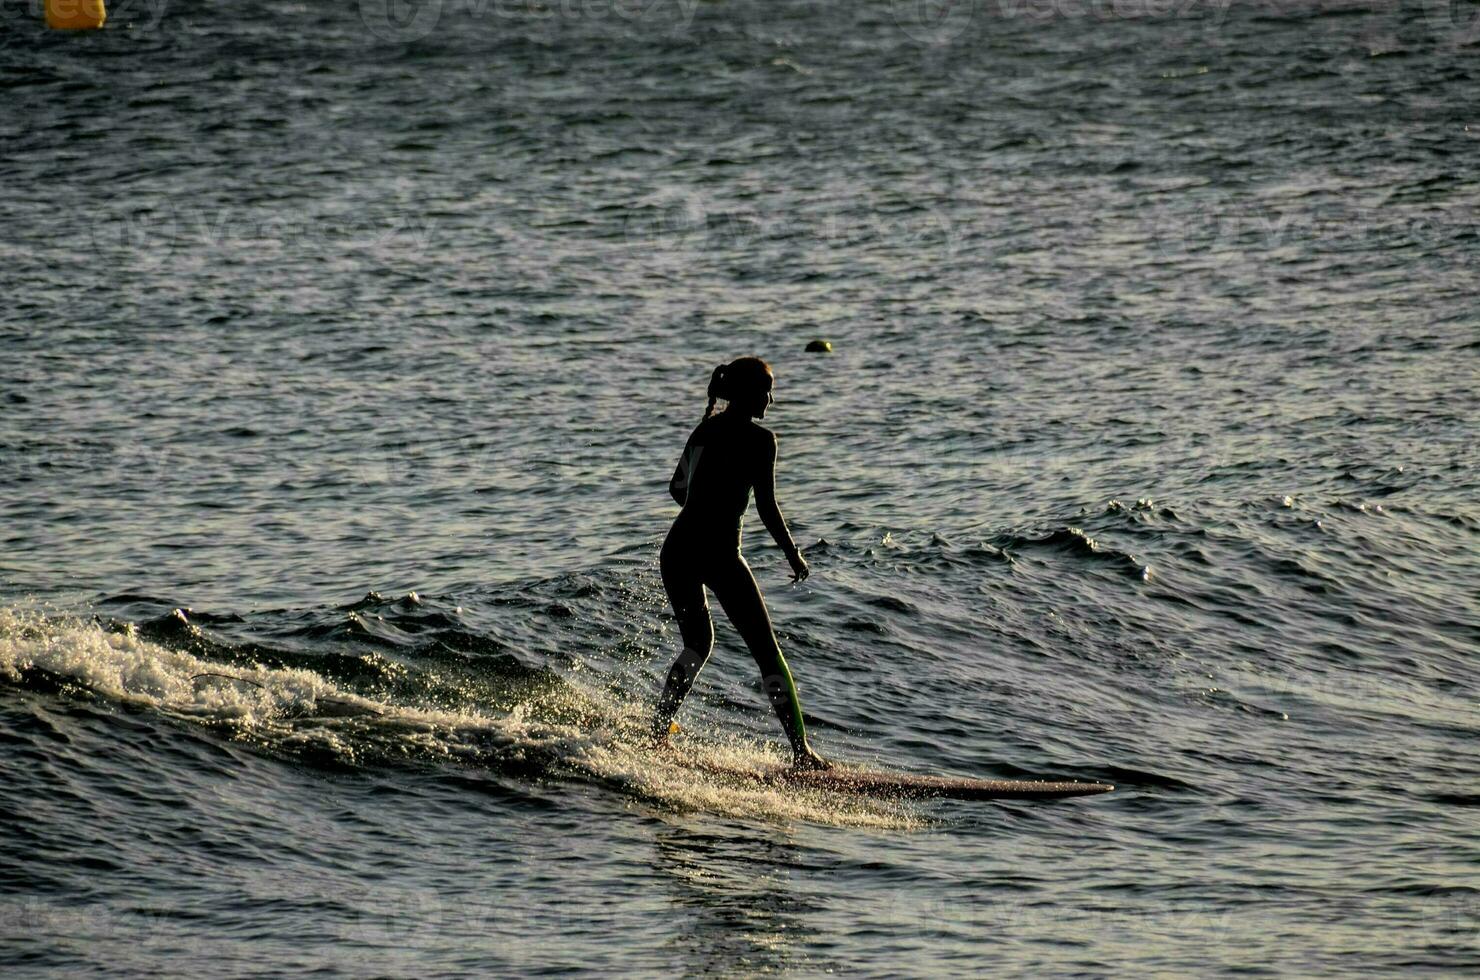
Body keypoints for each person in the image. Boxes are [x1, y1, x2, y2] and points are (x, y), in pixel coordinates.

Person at [652, 356, 829, 770]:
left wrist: (707, 504)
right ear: (750, 394)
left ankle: (658, 730)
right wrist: (793, 554)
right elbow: (767, 508)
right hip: (719, 555)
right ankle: (801, 754)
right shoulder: (761, 441)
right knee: (768, 654)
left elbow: (677, 488)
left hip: (677, 550)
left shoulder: (704, 429)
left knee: (697, 645)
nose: (771, 399)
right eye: (766, 390)